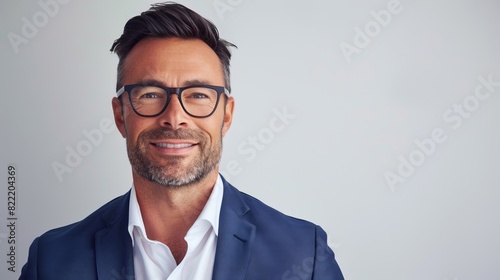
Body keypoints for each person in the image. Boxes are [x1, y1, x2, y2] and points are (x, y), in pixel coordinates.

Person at [20, 2, 344, 279]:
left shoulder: (304, 254)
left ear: (226, 115)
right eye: (150, 94)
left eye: (199, 94)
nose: (175, 117)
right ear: (120, 115)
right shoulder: (51, 261)